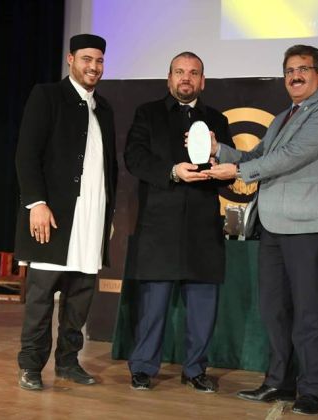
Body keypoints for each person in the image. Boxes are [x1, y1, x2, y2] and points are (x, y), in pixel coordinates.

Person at [204, 45, 318, 415]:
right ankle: (280, 382)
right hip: (271, 225)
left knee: (308, 313)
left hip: (307, 226)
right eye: (289, 70)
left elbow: (292, 156)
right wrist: (218, 150)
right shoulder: (283, 116)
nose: (295, 76)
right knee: (274, 310)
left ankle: (311, 389)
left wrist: (238, 172)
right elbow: (257, 156)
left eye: (303, 69)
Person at [123, 51, 235, 393]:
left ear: (203, 80)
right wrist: (172, 172)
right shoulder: (148, 113)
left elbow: (230, 171)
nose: (186, 77)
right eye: (180, 71)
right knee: (153, 305)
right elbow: (134, 158)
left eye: (193, 72)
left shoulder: (217, 120)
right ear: (169, 77)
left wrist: (218, 166)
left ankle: (196, 369)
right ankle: (143, 367)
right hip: (159, 226)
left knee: (203, 305)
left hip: (203, 227)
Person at [13, 34, 118, 391]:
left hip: (92, 217)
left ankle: (68, 362)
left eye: (99, 61)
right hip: (53, 217)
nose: (94, 66)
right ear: (71, 59)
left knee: (80, 298)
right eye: (87, 59)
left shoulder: (104, 108)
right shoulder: (47, 96)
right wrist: (36, 203)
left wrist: (107, 214)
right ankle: (30, 366)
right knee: (41, 297)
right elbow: (27, 154)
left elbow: (108, 169)